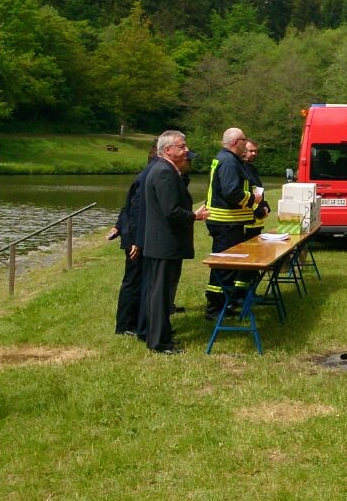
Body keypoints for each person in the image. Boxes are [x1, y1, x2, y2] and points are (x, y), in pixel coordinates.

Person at [143, 131, 209, 353]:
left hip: (164, 243)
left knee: (161, 293)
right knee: (161, 295)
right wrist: (194, 216)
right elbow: (171, 212)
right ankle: (159, 343)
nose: (186, 150)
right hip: (165, 244)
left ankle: (158, 335)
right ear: (168, 150)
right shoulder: (164, 172)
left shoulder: (167, 170)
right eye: (182, 146)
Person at [204, 128, 262, 319]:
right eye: (244, 140)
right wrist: (252, 199)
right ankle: (215, 308)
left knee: (227, 266)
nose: (246, 144)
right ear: (237, 142)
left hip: (227, 222)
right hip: (226, 222)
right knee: (225, 267)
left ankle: (223, 305)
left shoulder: (227, 158)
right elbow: (231, 192)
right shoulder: (229, 161)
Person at [109, 146, 158, 338]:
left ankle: (135, 321)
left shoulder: (144, 176)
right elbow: (135, 210)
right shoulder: (146, 178)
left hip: (135, 234)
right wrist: (136, 241)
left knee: (138, 279)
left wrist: (118, 226)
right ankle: (125, 325)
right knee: (133, 280)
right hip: (135, 237)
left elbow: (127, 207)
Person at [241, 140, 270, 240]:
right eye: (251, 151)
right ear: (243, 151)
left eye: (255, 151)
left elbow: (257, 189)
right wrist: (258, 210)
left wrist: (265, 205)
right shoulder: (239, 169)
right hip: (246, 223)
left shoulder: (251, 169)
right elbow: (241, 193)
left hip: (256, 223)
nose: (254, 153)